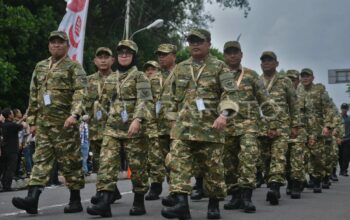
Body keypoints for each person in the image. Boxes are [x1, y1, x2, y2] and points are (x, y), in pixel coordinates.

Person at [161, 29, 238, 220]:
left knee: (213, 170)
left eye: (199, 41)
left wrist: (224, 114)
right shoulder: (180, 68)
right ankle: (181, 205)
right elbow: (168, 96)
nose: (195, 45)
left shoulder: (220, 67)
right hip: (183, 129)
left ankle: (213, 205)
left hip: (210, 130)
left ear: (209, 44)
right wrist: (171, 119)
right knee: (178, 165)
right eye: (191, 41)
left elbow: (230, 94)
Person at [12, 30, 87, 214]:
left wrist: (75, 115)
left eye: (60, 42)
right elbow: (34, 94)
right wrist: (32, 120)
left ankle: (75, 200)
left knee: (70, 163)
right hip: (44, 125)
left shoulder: (74, 67)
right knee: (40, 162)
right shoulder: (40, 66)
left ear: (66, 46)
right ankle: (32, 199)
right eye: (53, 42)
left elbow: (81, 94)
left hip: (65, 125)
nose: (56, 45)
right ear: (49, 45)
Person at [86, 40, 153, 218]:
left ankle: (139, 201)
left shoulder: (140, 77)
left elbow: (145, 100)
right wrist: (84, 116)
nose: (124, 55)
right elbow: (101, 102)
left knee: (137, 168)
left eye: (128, 53)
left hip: (134, 129)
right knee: (106, 165)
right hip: (112, 129)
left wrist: (138, 119)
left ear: (134, 56)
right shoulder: (111, 78)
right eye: (121, 53)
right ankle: (104, 203)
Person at [222, 41, 277, 212]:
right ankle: (235, 196)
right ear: (224, 56)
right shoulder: (217, 75)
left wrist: (272, 123)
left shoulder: (251, 75)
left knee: (248, 158)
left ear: (241, 54)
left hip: (249, 125)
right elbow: (203, 98)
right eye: (229, 52)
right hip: (225, 126)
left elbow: (265, 100)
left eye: (235, 52)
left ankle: (247, 197)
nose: (232, 55)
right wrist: (202, 116)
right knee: (228, 163)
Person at [258, 51, 300, 205]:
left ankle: (274, 188)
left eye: (270, 60)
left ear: (277, 63)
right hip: (262, 127)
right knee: (266, 159)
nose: (266, 63)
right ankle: (271, 182)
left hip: (282, 127)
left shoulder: (284, 81)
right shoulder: (257, 81)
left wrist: (295, 125)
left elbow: (293, 104)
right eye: (264, 60)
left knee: (278, 156)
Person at [84, 47, 122, 205]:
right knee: (99, 161)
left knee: (109, 160)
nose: (103, 60)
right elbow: (84, 101)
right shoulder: (89, 80)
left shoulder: (119, 78)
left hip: (114, 127)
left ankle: (103, 192)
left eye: (107, 57)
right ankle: (112, 191)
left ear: (113, 60)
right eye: (100, 57)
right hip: (95, 127)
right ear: (95, 61)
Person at [297, 68, 333, 193]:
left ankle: (317, 180)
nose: (305, 78)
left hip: (316, 129)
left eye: (307, 76)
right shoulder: (298, 91)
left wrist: (327, 126)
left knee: (317, 156)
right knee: (301, 155)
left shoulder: (319, 90)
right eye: (303, 76)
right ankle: (302, 179)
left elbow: (328, 109)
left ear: (313, 77)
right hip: (301, 128)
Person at [143, 60, 164, 200]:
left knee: (164, 157)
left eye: (153, 69)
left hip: (164, 126)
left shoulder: (164, 84)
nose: (150, 72)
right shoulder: (142, 86)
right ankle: (155, 185)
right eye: (147, 69)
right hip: (147, 126)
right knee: (151, 158)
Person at [285, 70, 307, 199]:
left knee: (297, 159)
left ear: (298, 81)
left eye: (293, 80)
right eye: (288, 79)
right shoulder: (280, 94)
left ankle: (296, 185)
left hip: (300, 131)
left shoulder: (303, 95)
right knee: (286, 159)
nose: (290, 82)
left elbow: (311, 116)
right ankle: (290, 182)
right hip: (284, 130)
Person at [0, 108, 26, 191]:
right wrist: (24, 120)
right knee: (11, 169)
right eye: (11, 113)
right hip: (12, 150)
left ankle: (4, 185)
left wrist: (22, 119)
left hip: (5, 149)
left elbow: (16, 125)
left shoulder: (5, 125)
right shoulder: (12, 125)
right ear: (9, 115)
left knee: (5, 168)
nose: (13, 114)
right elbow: (23, 126)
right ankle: (7, 186)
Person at [338, 103, 350, 176]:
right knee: (340, 155)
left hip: (347, 139)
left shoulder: (349, 119)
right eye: (343, 108)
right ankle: (341, 169)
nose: (344, 109)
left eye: (345, 108)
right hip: (338, 139)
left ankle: (344, 170)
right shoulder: (337, 118)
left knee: (346, 156)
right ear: (341, 108)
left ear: (348, 109)